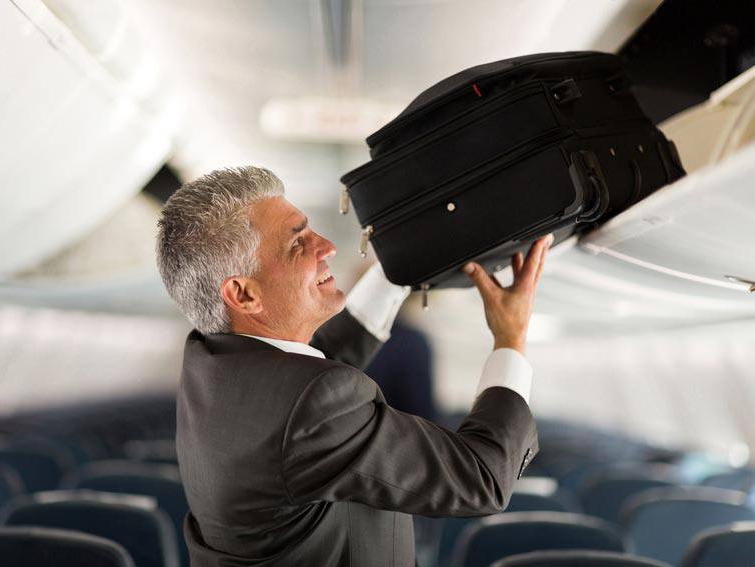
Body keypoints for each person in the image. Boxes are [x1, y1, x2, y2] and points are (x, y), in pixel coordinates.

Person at [155, 166, 552, 567]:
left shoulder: (211, 362)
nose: (326, 246)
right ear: (243, 294)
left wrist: (396, 269)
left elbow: (308, 370)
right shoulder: (308, 406)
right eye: (298, 243)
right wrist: (511, 337)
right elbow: (483, 478)